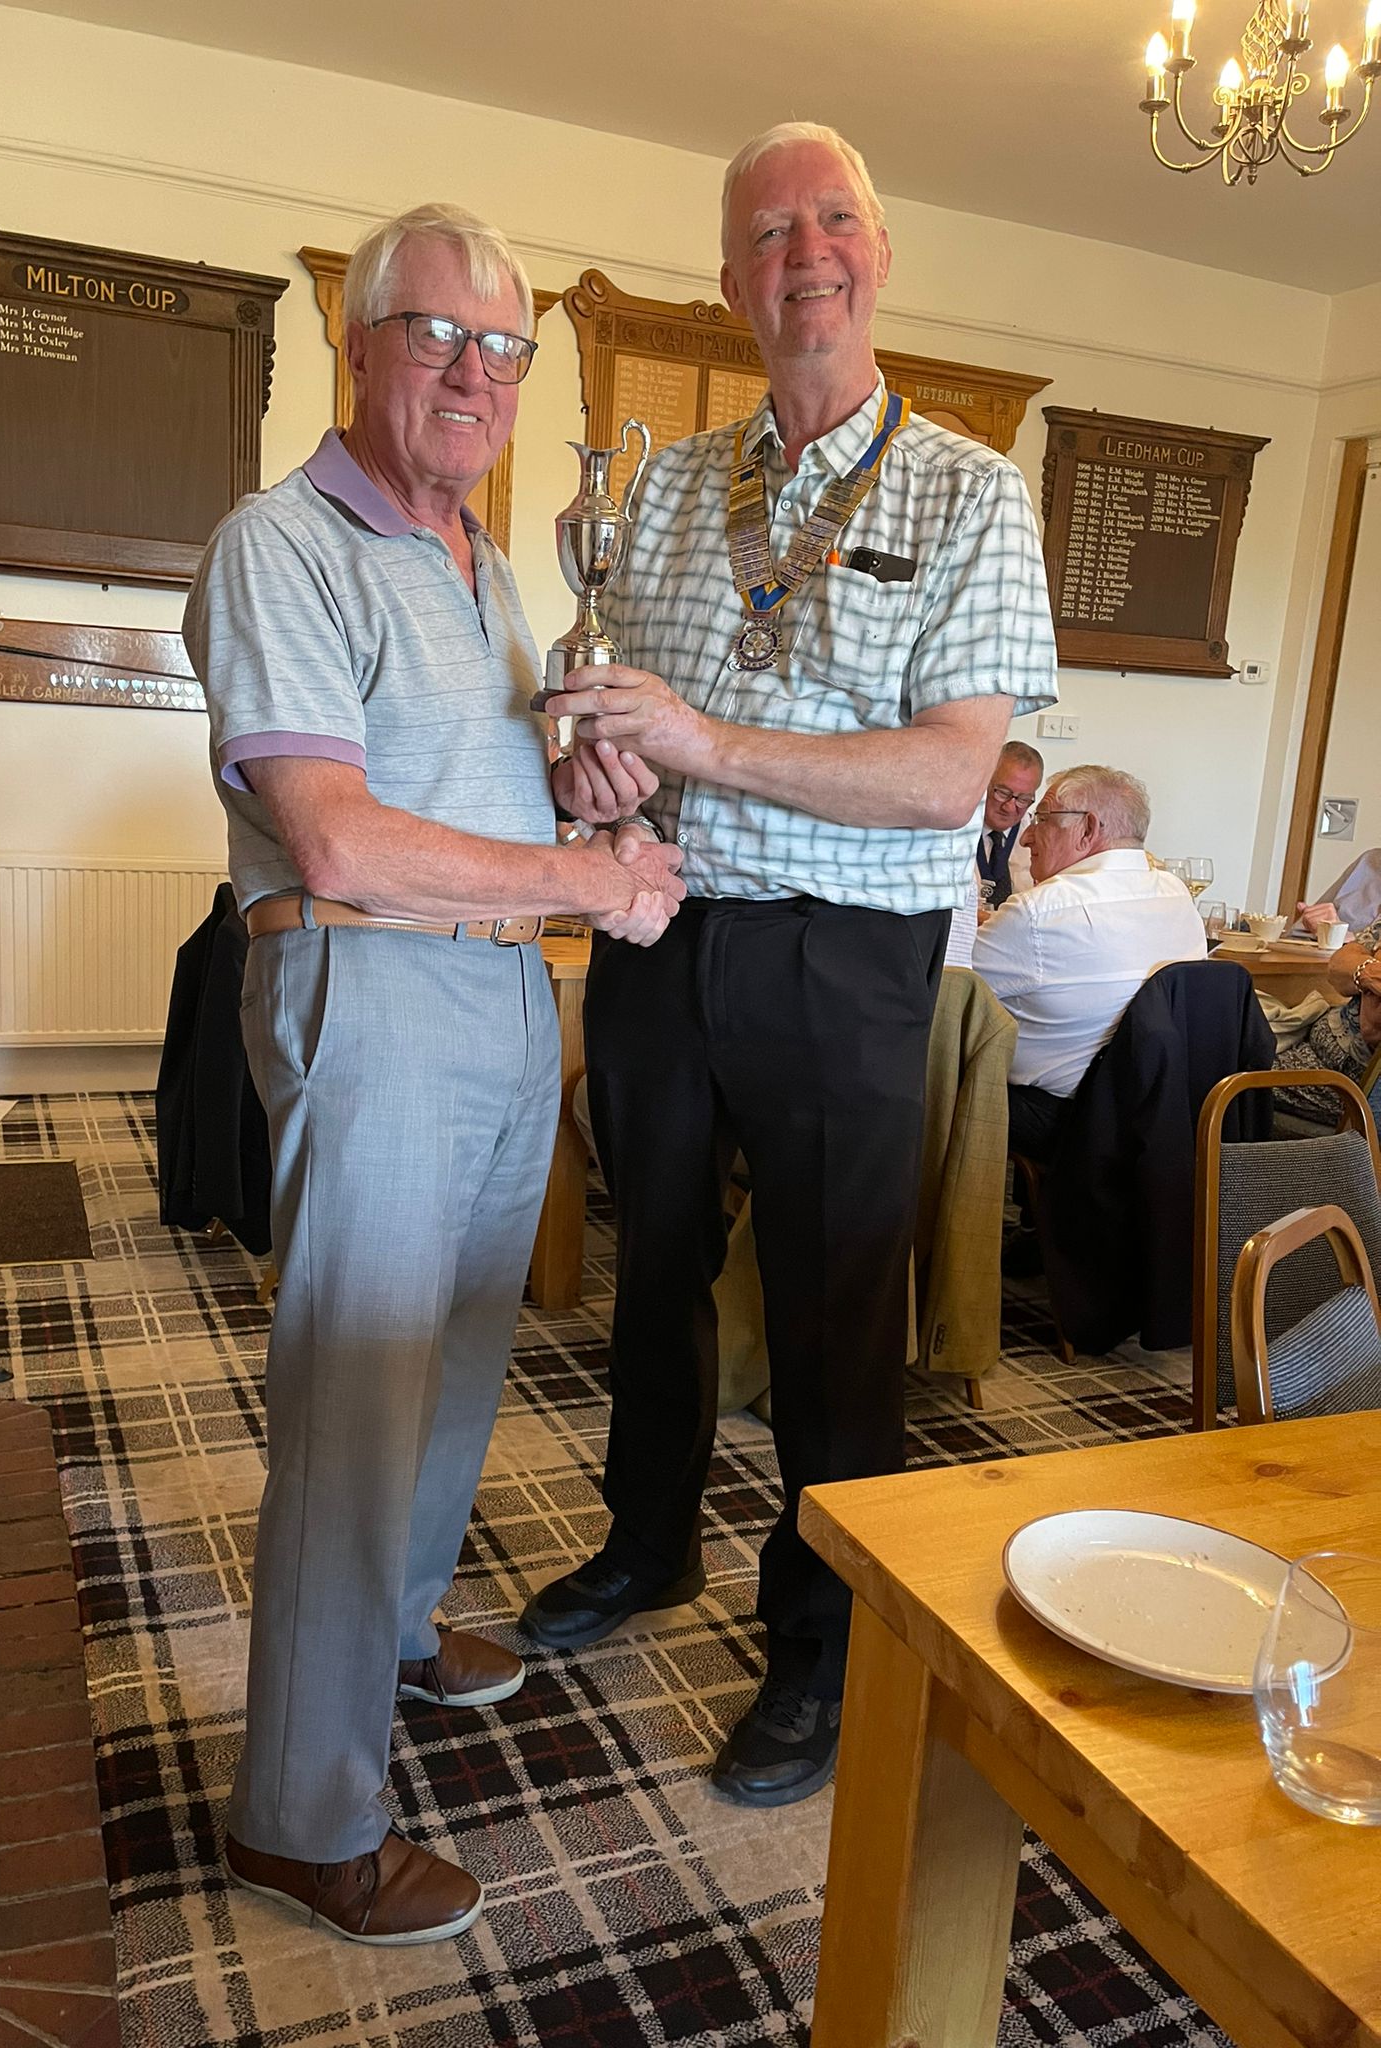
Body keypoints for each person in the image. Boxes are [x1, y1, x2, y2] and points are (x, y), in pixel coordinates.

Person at [521, 122, 1057, 1806]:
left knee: (836, 1313)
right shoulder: (672, 483)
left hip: (847, 958)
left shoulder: (973, 492)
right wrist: (594, 764)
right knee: (653, 1262)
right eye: (765, 233)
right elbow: (615, 719)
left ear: (879, 256)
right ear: (734, 281)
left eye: (831, 222)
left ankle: (822, 1639)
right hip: (664, 931)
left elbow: (948, 773)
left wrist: (702, 738)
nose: (801, 252)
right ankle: (648, 1539)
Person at [183, 202, 684, 1947]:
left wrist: (585, 806)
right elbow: (333, 839)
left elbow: (483, 805)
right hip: (371, 986)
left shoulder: (483, 566)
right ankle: (302, 1814)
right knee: (356, 1396)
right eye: (438, 337)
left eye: (505, 350)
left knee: (457, 1357)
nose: (474, 374)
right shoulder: (282, 542)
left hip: (489, 998)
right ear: (359, 343)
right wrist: (585, 883)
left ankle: (396, 1626)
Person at [971, 764, 1207, 1162]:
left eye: (1042, 819)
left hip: (1068, 1121)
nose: (1026, 836)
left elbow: (951, 984)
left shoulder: (1038, 912)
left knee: (935, 1065)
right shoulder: (1175, 893)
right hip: (1160, 1118)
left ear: (1088, 829)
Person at [1271, 913, 1381, 1121]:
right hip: (1311, 1033)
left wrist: (1362, 967)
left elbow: (1371, 1026)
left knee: (1220, 1067)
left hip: (1342, 1082)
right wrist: (1366, 971)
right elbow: (1338, 967)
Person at [976, 738, 1044, 910]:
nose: (1009, 807)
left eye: (1023, 799)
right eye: (1003, 793)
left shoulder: (1038, 838)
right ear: (984, 782)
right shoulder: (953, 828)